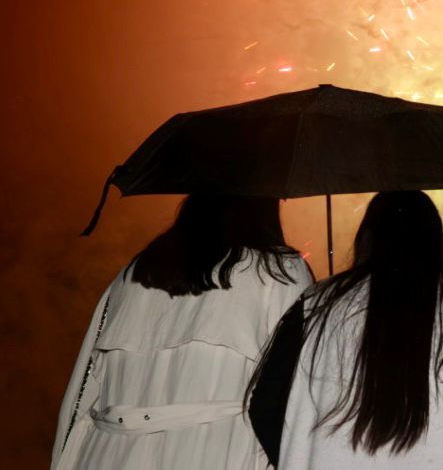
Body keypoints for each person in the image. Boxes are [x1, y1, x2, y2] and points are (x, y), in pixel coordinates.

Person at [248, 190, 443, 469]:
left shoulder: (317, 301)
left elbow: (264, 406)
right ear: (435, 240)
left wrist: (303, 455)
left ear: (366, 239)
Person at [51, 193, 312, 470]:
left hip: (107, 457)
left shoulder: (134, 273)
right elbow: (298, 403)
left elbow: (82, 394)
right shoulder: (281, 274)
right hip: (217, 456)